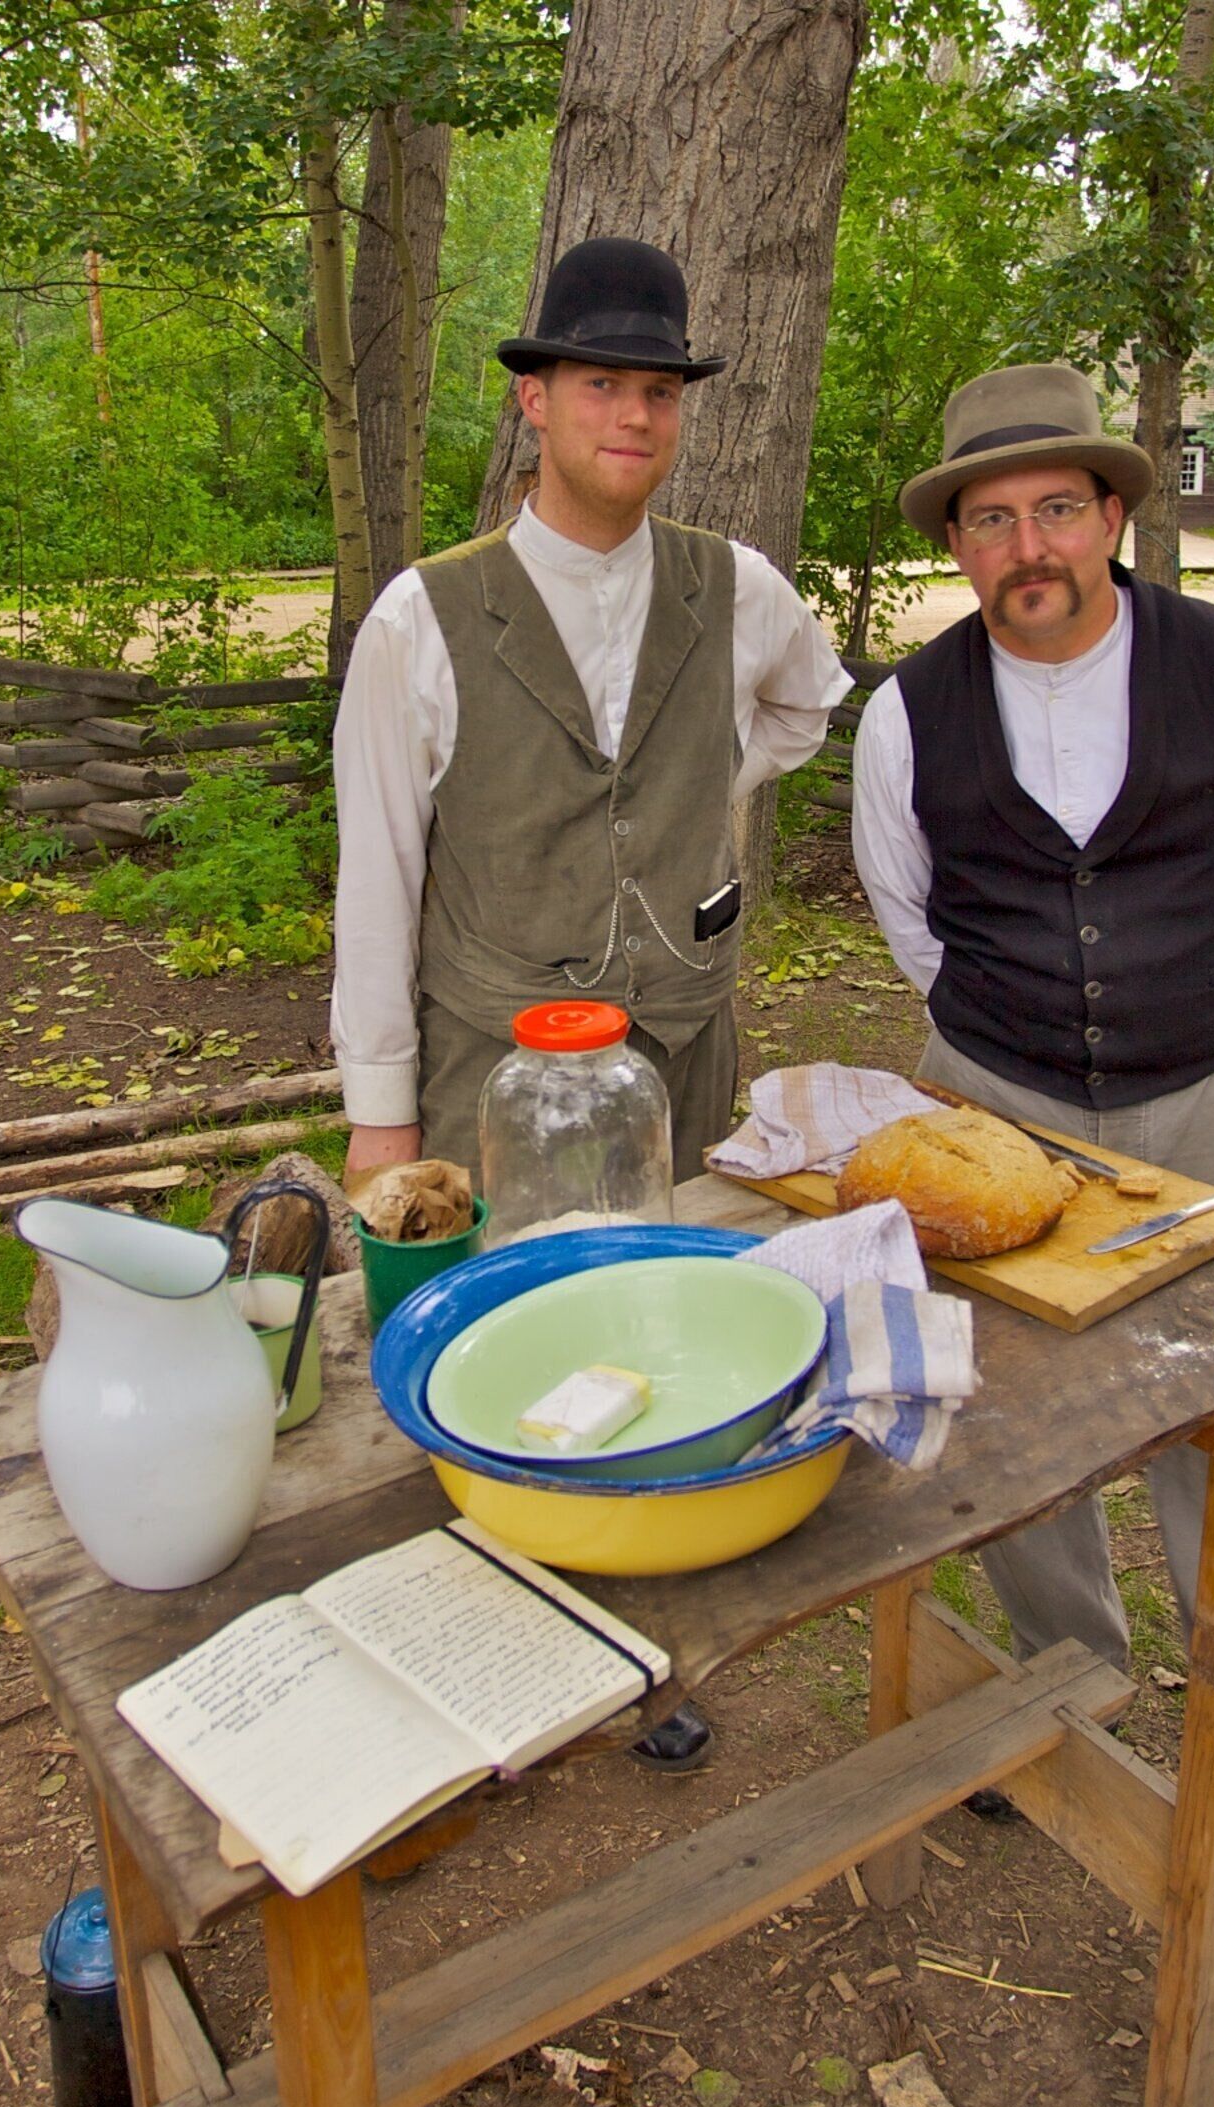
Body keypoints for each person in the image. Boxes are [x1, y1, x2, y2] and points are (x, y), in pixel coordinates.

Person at [846, 363, 1214, 1990]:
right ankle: (1062, 1703)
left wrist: (1197, 1003)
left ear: (1112, 514)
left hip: (1208, 1110)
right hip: (1001, 1101)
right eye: (989, 517)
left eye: (1054, 507)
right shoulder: (908, 710)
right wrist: (1008, 1052)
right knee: (1016, 1446)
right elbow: (914, 914)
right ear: (958, 544)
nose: (1025, 542)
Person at [332, 236, 853, 1770]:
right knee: (497, 1355)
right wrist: (380, 1122)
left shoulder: (735, 587)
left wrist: (712, 795)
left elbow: (807, 711)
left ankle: (654, 1646)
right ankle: (497, 1652)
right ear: (539, 406)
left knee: (663, 1326)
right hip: (493, 1057)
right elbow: (378, 873)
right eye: (601, 385)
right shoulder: (427, 619)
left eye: (658, 391)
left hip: (677, 1044)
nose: (634, 415)